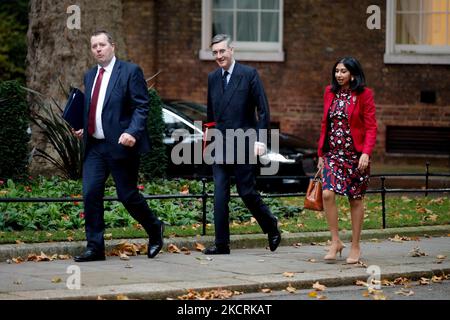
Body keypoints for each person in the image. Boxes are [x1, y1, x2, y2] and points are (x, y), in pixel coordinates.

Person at [73, 30, 164, 262]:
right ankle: (95, 248)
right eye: (94, 46)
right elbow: (94, 108)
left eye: (102, 44)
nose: (98, 49)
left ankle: (155, 229)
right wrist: (85, 127)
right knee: (90, 193)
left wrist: (133, 131)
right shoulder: (90, 75)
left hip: (121, 146)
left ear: (112, 46)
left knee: (127, 195)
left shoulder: (130, 71)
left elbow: (142, 106)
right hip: (94, 147)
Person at [203, 34, 281, 255]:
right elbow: (210, 114)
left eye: (222, 51)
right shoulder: (212, 78)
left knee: (246, 192)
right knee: (219, 194)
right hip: (219, 143)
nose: (219, 56)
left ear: (232, 50)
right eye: (215, 52)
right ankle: (221, 244)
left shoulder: (249, 75)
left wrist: (260, 140)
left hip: (243, 143)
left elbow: (263, 110)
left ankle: (270, 225)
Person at [317, 57, 377, 264]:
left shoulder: (364, 95)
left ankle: (355, 246)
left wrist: (366, 153)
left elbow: (371, 126)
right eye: (337, 71)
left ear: (353, 74)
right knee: (326, 193)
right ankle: (335, 241)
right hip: (333, 154)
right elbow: (325, 123)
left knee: (355, 199)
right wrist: (320, 154)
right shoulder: (330, 93)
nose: (339, 75)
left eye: (343, 71)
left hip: (356, 156)